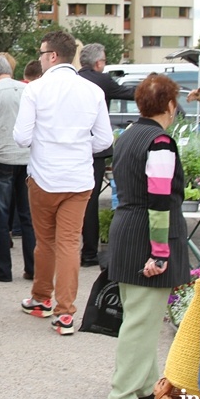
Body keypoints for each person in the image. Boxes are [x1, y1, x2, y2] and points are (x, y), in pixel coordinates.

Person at [14, 31, 113, 336]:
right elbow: (105, 140)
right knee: (71, 243)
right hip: (80, 178)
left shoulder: (35, 90)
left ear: (52, 56)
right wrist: (79, 146)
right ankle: (66, 313)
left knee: (46, 242)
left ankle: (42, 298)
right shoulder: (93, 90)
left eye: (42, 53)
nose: (40, 59)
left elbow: (21, 137)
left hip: (44, 177)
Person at [105, 74, 189, 399]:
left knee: (141, 315)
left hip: (126, 226)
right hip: (147, 233)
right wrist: (160, 250)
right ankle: (123, 392)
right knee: (141, 319)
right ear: (169, 104)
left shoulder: (127, 136)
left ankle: (143, 383)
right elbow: (159, 200)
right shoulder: (160, 142)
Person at [77, 43, 136, 267]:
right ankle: (89, 252)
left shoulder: (75, 79)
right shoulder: (102, 80)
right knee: (90, 201)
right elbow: (130, 93)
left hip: (74, 147)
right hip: (96, 150)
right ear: (99, 63)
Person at [0, 53, 35, 283]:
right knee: (28, 215)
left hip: (0, 157)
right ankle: (33, 268)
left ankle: (2, 269)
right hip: (27, 157)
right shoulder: (28, 90)